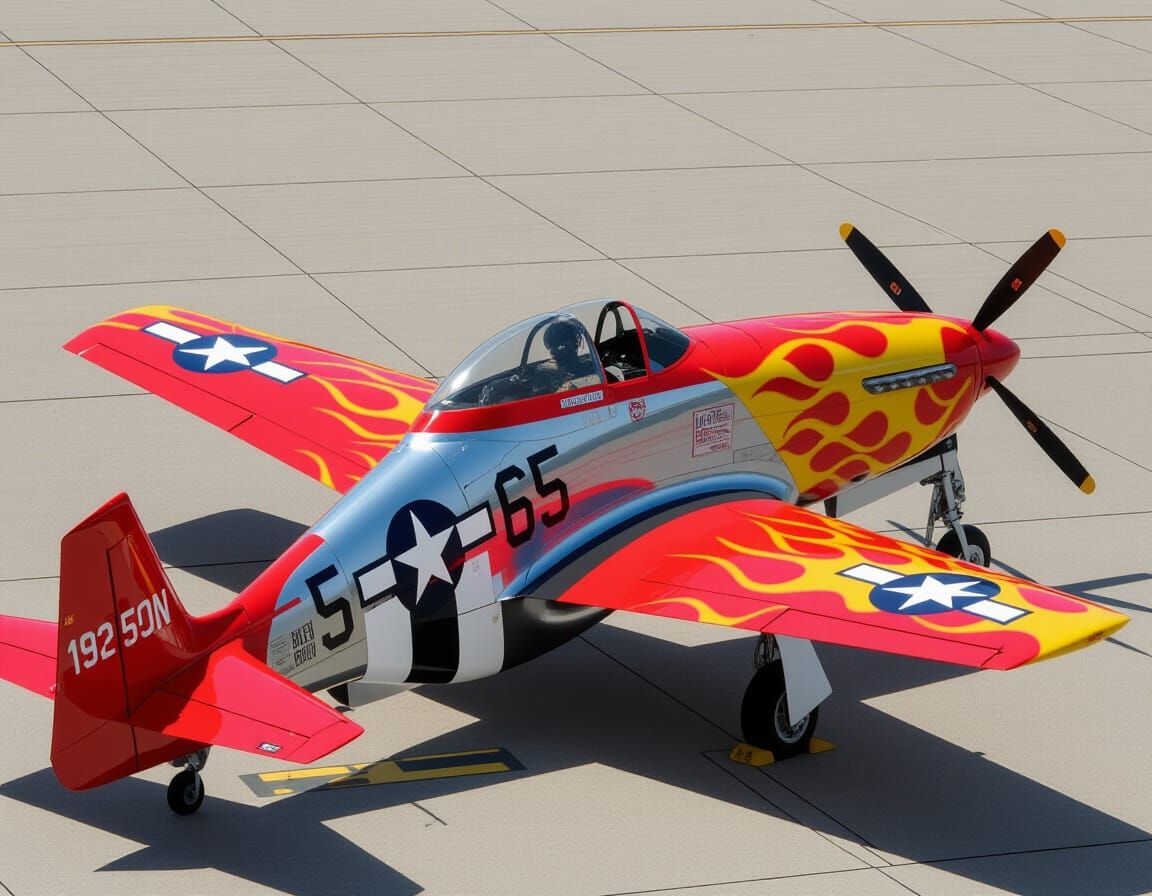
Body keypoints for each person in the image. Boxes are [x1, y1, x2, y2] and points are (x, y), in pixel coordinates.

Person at [542, 319, 601, 391]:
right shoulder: (547, 377)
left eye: (561, 346)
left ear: (575, 343)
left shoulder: (592, 369)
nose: (554, 353)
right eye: (552, 348)